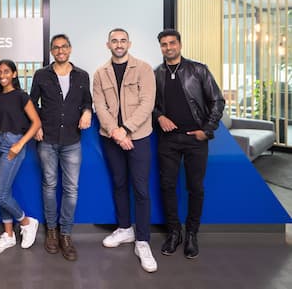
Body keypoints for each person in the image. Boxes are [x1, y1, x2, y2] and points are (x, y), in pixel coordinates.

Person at [154, 29, 224, 259]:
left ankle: (192, 233)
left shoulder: (198, 69)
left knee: (195, 188)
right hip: (168, 140)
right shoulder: (156, 74)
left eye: (172, 43)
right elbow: (149, 105)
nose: (168, 48)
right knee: (167, 186)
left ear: (180, 44)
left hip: (195, 139)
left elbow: (217, 100)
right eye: (164, 44)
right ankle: (174, 232)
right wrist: (159, 117)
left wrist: (207, 130)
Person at [92, 28, 157, 273]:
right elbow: (100, 105)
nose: (119, 44)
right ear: (107, 44)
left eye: (122, 40)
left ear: (129, 43)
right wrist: (116, 133)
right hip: (112, 138)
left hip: (138, 137)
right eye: (114, 41)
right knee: (119, 183)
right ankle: (124, 229)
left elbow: (147, 103)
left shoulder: (144, 69)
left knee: (140, 188)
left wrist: (127, 130)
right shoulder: (100, 73)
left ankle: (142, 241)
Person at [30, 34, 92, 261]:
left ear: (70, 49)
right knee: (49, 186)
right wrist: (36, 125)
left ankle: (66, 234)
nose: (60, 51)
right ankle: (52, 232)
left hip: (72, 141)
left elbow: (88, 101)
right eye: (56, 48)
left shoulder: (82, 75)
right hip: (47, 139)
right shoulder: (41, 75)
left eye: (64, 46)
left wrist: (87, 112)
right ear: (51, 51)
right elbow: (31, 103)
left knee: (71, 189)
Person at [0, 59, 41, 255]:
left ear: (14, 74)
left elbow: (36, 123)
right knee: (4, 193)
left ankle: (27, 222)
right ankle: (8, 235)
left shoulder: (21, 96)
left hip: (13, 144)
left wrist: (19, 144)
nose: (2, 75)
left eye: (6, 71)